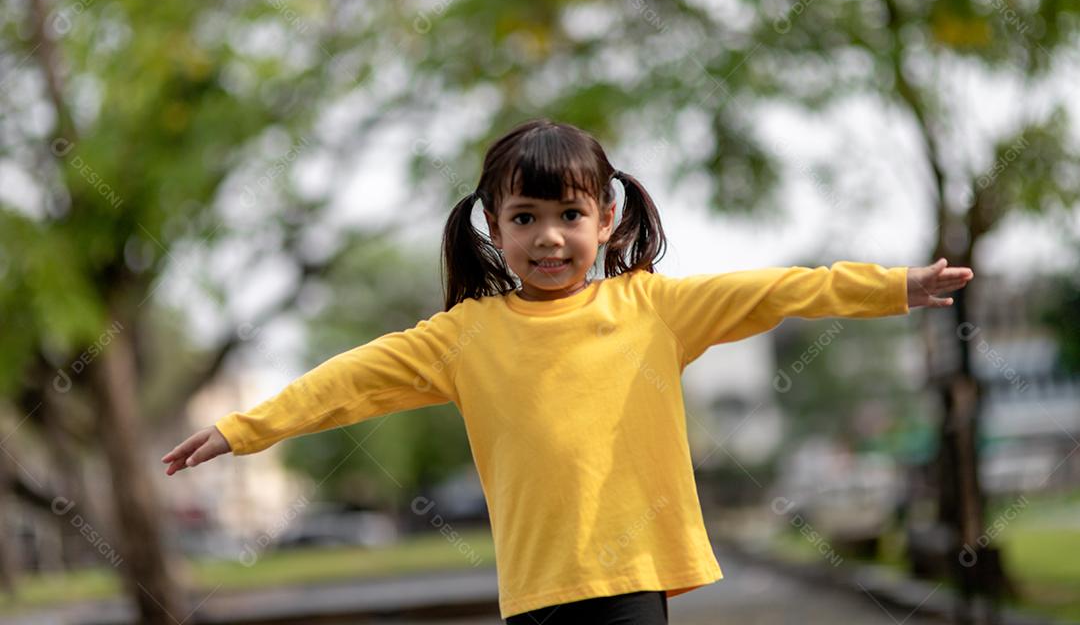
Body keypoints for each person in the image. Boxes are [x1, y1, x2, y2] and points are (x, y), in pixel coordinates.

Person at [162, 118, 974, 624]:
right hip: (535, 591)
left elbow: (781, 290)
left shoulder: (650, 308)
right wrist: (241, 429)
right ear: (493, 226)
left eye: (569, 216)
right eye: (526, 218)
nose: (549, 237)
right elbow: (347, 382)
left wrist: (897, 286)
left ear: (606, 219)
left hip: (629, 580)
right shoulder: (464, 336)